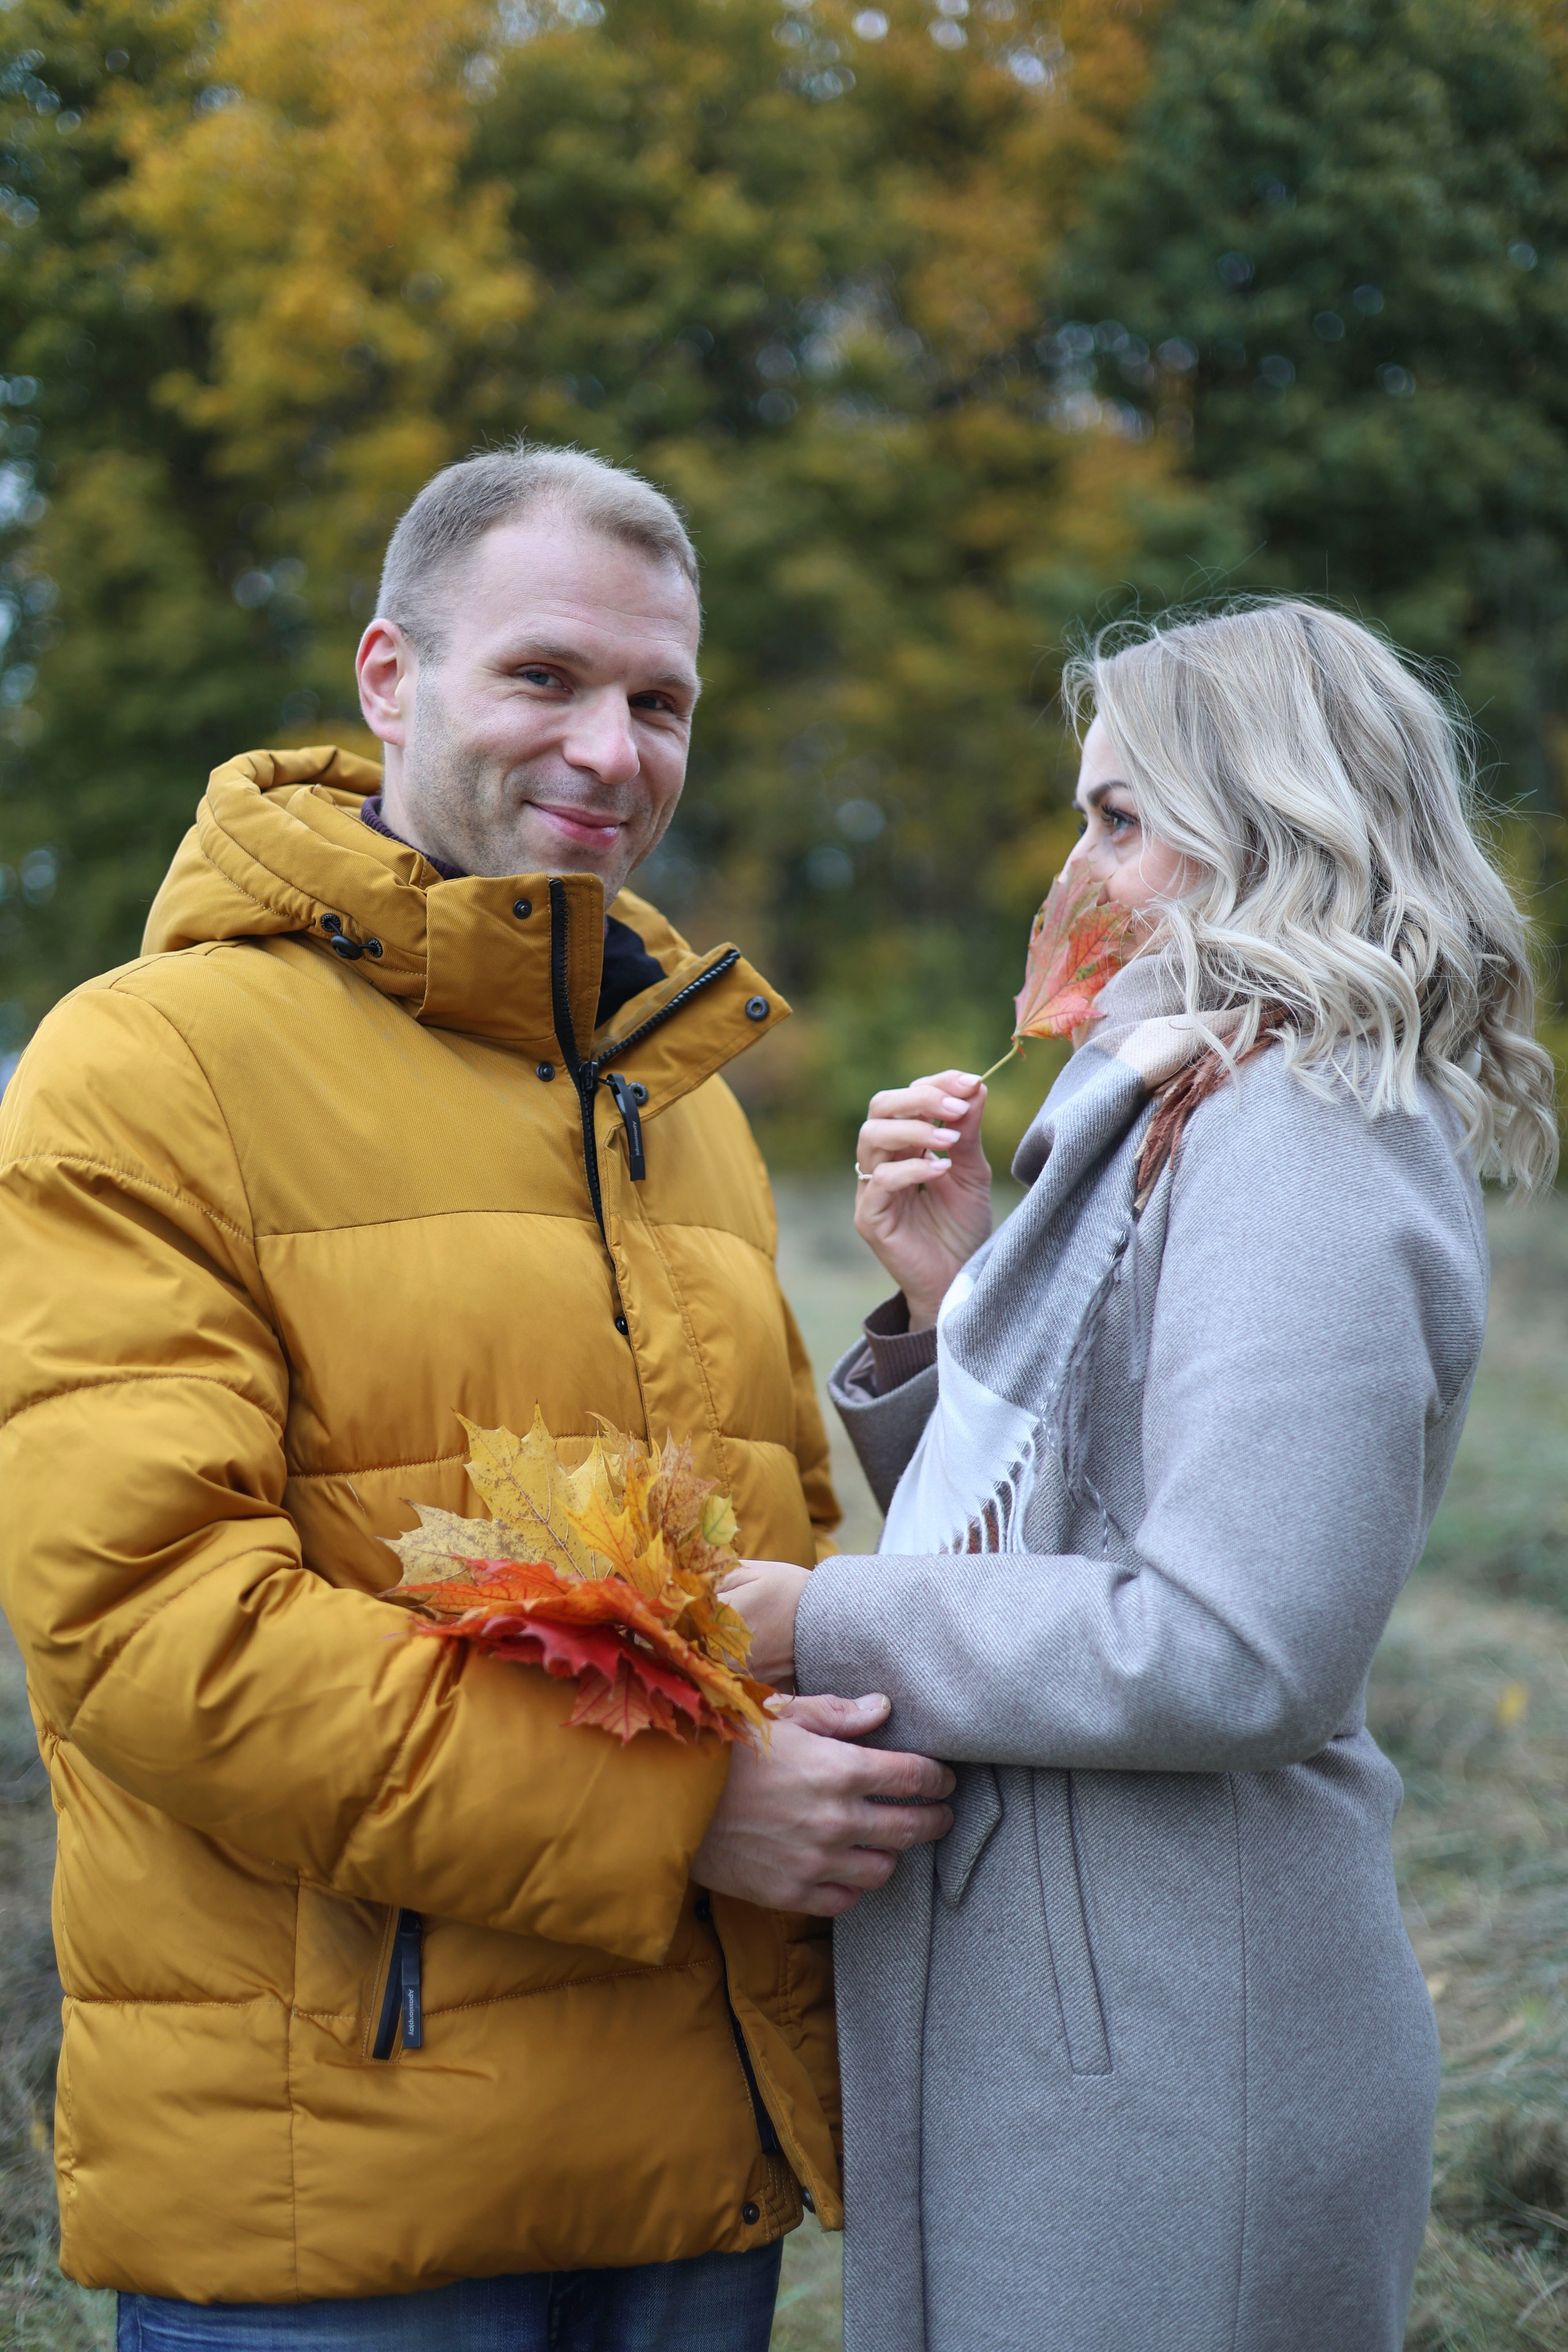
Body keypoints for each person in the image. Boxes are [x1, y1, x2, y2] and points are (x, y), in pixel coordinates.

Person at [0, 442, 953, 2350]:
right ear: (388, 678)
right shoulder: (145, 1065)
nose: (612, 750)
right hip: (340, 2199)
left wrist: (948, 1336)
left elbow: (779, 1570)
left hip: (696, 2171)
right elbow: (148, 1626)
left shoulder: (683, 1107)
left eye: (659, 700)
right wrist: (684, 1813)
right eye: (546, 678)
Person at [722, 600, 1559, 2352]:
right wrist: (965, 1301)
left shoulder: (1308, 1134)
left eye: (1119, 819)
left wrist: (825, 1620)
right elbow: (1096, 1503)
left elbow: (1241, 1643)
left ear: (1270, 823)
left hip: (1183, 2034)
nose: (1076, 872)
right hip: (1077, 1996)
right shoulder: (1183, 1103)